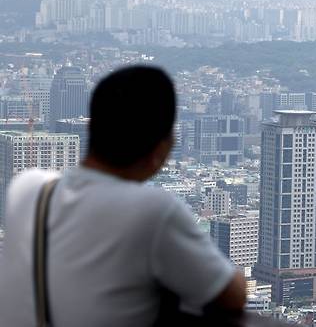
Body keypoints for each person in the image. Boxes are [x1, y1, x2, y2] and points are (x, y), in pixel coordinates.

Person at [0, 66, 246, 326]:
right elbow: (232, 295)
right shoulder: (154, 211)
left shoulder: (27, 189)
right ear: (164, 146)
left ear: (92, 128)